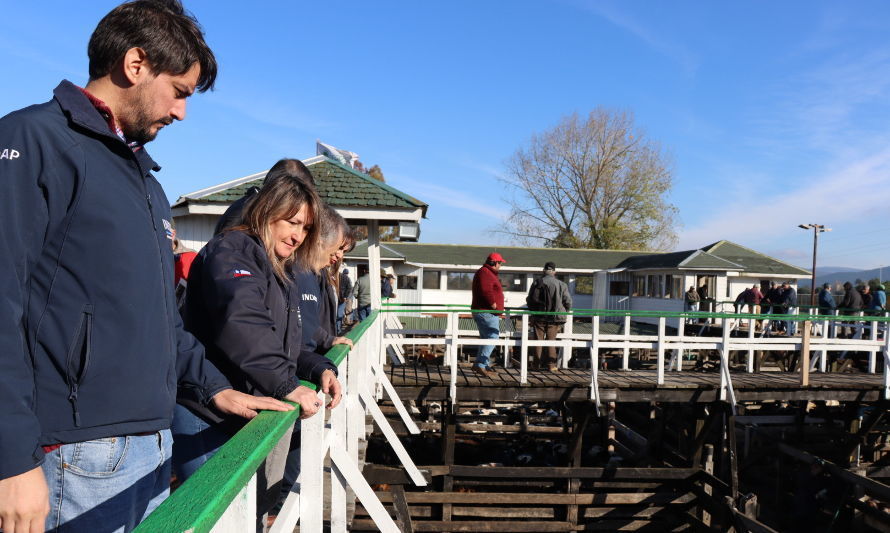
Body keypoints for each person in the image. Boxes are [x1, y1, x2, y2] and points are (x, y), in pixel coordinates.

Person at [0, 3, 292, 532]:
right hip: (73, 452)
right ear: (135, 64)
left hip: (153, 445)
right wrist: (12, 459)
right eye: (179, 91)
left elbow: (162, 317)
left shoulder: (145, 182)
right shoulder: (32, 142)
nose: (182, 112)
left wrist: (212, 388)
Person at [173, 161, 342, 523]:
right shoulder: (232, 250)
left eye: (306, 228)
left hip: (241, 411)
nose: (298, 236)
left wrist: (319, 367)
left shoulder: (277, 266)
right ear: (267, 213)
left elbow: (286, 341)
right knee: (218, 520)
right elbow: (242, 322)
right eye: (292, 223)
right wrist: (285, 384)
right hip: (207, 413)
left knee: (247, 516)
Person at [526, 262, 572, 371]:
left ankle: (536, 365)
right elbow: (568, 301)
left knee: (538, 341)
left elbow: (529, 300)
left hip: (539, 317)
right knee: (552, 341)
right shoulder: (562, 284)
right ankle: (551, 366)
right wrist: (565, 312)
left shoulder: (537, 282)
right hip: (554, 318)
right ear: (554, 272)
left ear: (544, 271)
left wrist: (533, 312)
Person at [471, 252, 506, 378]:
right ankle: (480, 364)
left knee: (486, 339)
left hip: (484, 312)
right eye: (500, 263)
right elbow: (486, 291)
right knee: (493, 337)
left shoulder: (485, 272)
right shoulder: (486, 273)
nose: (500, 265)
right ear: (495, 263)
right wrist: (494, 306)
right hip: (487, 312)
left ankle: (481, 364)